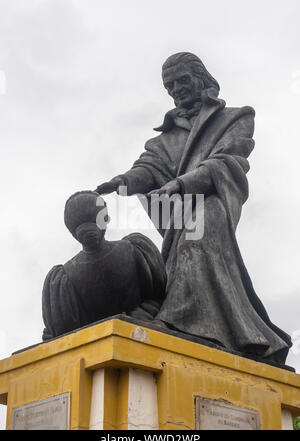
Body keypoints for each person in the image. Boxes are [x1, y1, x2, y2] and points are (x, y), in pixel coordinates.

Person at [96, 52, 292, 364]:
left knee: (194, 241)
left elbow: (229, 159)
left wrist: (183, 183)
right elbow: (148, 168)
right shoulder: (162, 140)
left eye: (182, 80)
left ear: (200, 77)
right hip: (178, 212)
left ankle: (179, 321)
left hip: (215, 200)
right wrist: (121, 182)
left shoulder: (235, 118)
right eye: (169, 84)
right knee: (178, 255)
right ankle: (222, 331)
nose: (176, 89)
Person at [42, 191, 166, 340]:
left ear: (70, 230)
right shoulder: (135, 249)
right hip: (146, 338)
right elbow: (161, 295)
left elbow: (64, 333)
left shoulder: (62, 279)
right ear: (106, 219)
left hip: (97, 349)